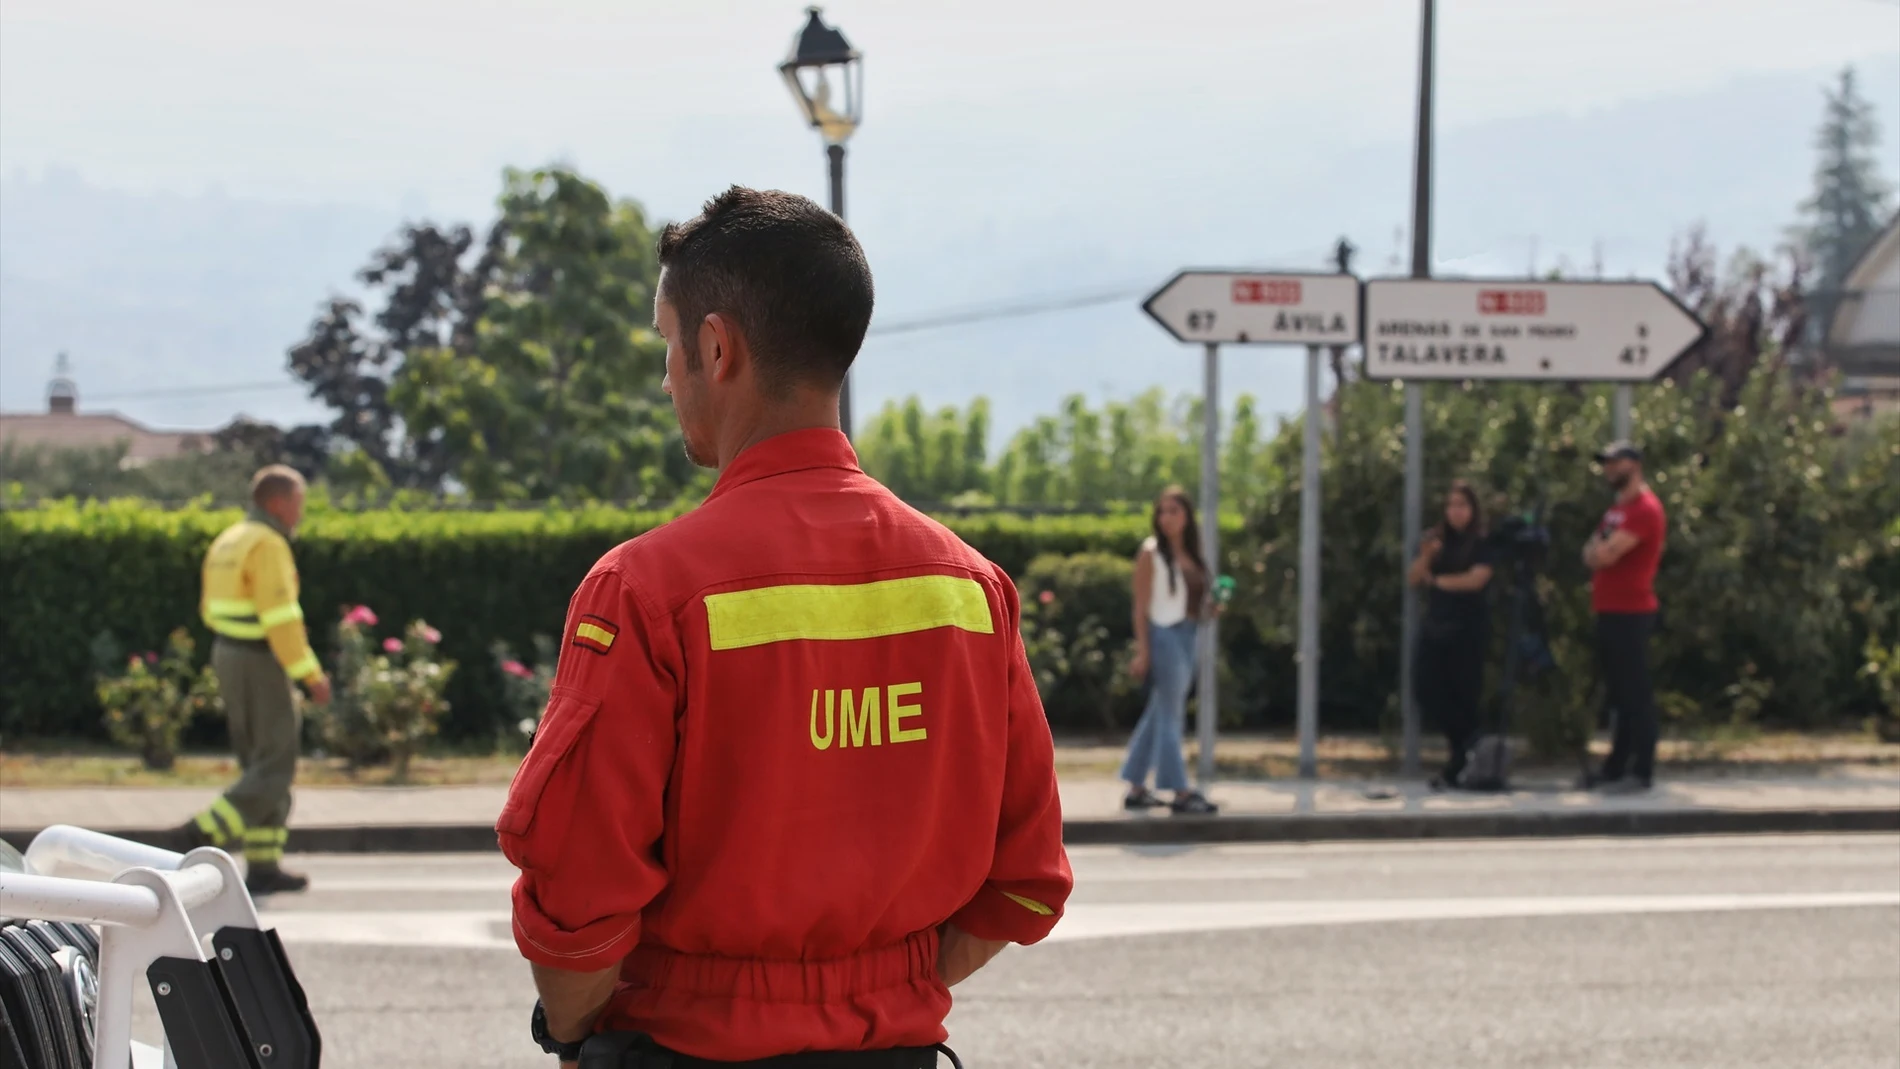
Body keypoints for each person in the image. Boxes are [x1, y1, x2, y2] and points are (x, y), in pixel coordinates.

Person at [501, 187, 1073, 1069]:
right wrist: (876, 989)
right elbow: (1026, 882)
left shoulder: (645, 591)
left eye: (667, 344)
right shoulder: (970, 586)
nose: (666, 377)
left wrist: (574, 1034)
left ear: (716, 347)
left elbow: (580, 907)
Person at [179, 465, 331, 895]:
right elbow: (282, 619)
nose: (300, 514)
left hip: (228, 652)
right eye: (298, 504)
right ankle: (200, 835)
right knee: (275, 763)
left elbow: (209, 607)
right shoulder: (268, 544)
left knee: (257, 761)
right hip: (262, 659)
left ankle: (263, 866)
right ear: (278, 502)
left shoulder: (231, 538)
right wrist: (311, 676)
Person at [1119, 487, 1219, 817]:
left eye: (1174, 511)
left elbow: (1197, 606)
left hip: (1190, 633)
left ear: (1187, 516)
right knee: (1171, 714)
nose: (1166, 518)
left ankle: (1135, 786)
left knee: (1160, 710)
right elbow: (1140, 607)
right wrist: (1143, 651)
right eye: (1162, 511)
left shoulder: (1194, 553)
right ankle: (1180, 791)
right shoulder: (1151, 552)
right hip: (1163, 634)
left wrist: (1214, 607)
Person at [1581, 440, 1667, 793]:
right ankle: (1615, 765)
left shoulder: (1644, 509)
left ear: (1634, 465)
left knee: (1635, 693)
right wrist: (1598, 551)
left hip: (1632, 611)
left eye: (1615, 463)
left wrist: (1599, 551)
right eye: (1605, 464)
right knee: (1618, 693)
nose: (1608, 470)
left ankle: (1641, 769)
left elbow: (1606, 555)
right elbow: (1589, 552)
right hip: (1608, 608)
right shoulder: (1616, 511)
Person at [1407, 480, 1497, 789]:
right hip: (1436, 627)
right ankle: (1469, 748)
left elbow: (1476, 580)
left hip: (1467, 630)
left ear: (1473, 509)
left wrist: (1439, 582)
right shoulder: (1435, 540)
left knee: (1464, 698)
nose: (1455, 512)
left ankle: (1460, 765)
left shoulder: (1482, 542)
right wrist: (1427, 556)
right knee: (1426, 690)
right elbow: (1414, 577)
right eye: (1451, 505)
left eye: (1462, 505)